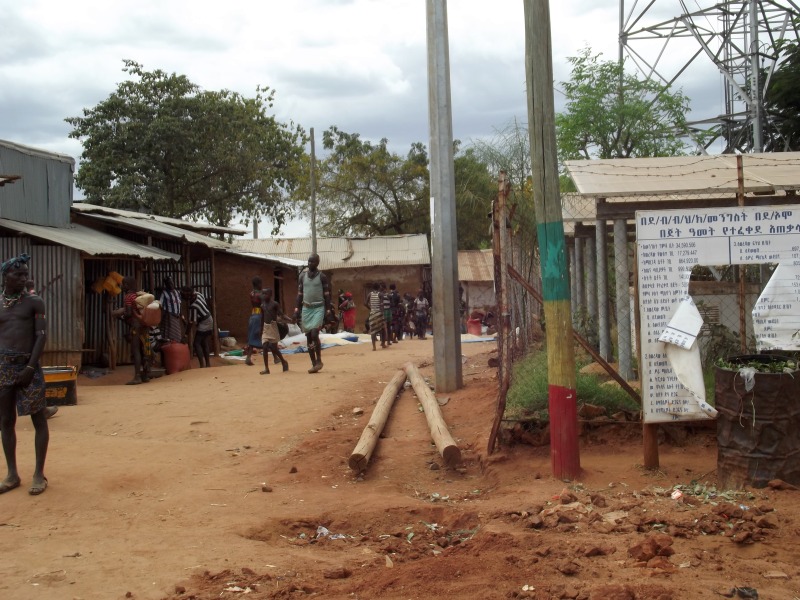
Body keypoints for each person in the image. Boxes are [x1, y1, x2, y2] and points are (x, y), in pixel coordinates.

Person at [0, 253, 50, 495]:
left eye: (25, 275)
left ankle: (39, 474)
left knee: (38, 419)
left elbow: (41, 336)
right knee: (6, 421)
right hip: (3, 369)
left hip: (28, 367)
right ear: (5, 276)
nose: (23, 278)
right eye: (17, 274)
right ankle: (11, 474)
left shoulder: (34, 302)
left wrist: (30, 367)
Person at [293, 254, 332, 373]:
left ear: (317, 263)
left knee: (315, 333)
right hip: (306, 309)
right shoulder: (303, 276)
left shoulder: (322, 277)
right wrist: (296, 310)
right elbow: (299, 295)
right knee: (309, 336)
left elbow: (326, 295)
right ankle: (314, 363)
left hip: (318, 308)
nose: (310, 264)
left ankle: (319, 360)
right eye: (309, 261)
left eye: (312, 262)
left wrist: (328, 310)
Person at [24, 280, 57, 419]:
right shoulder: (30, 300)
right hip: (27, 345)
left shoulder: (10, 300)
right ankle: (41, 410)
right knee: (34, 378)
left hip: (19, 345)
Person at [112, 276, 151, 385]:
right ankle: (146, 375)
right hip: (144, 325)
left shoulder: (128, 297)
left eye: (124, 284)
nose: (122, 286)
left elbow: (129, 313)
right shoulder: (138, 295)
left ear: (127, 286)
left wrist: (119, 314)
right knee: (144, 349)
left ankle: (137, 376)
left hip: (136, 326)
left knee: (136, 350)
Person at [259, 288, 289, 374]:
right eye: (263, 294)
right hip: (266, 327)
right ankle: (266, 368)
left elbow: (281, 314)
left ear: (270, 295)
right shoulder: (262, 305)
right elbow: (262, 318)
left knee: (274, 348)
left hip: (273, 327)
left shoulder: (275, 304)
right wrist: (261, 329)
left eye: (266, 294)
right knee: (265, 346)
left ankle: (283, 361)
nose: (264, 296)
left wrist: (290, 320)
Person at [182, 286, 213, 368]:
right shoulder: (198, 294)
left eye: (184, 295)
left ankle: (202, 365)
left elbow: (191, 323)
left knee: (196, 343)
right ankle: (208, 364)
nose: (183, 298)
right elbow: (205, 306)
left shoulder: (193, 306)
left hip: (204, 322)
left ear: (188, 295)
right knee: (204, 342)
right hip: (209, 318)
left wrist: (185, 335)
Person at [245, 276, 264, 366]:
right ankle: (276, 357)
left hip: (253, 314)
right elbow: (263, 306)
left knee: (252, 336)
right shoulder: (260, 295)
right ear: (258, 284)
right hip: (259, 315)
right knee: (265, 335)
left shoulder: (251, 293)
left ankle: (248, 357)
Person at [159, 276, 183, 343]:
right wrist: (161, 318)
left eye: (172, 283)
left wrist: (182, 316)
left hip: (177, 317)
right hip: (169, 316)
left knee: (177, 335)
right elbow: (161, 306)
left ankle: (176, 347)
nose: (171, 285)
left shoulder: (177, 292)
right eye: (169, 283)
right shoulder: (164, 293)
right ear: (166, 285)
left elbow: (179, 304)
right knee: (170, 334)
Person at [366, 282, 385, 351]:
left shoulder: (369, 294)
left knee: (373, 331)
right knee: (382, 329)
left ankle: (374, 346)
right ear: (379, 287)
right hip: (379, 313)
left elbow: (365, 303)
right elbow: (382, 305)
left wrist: (370, 308)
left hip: (372, 314)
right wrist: (382, 313)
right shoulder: (380, 294)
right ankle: (383, 343)